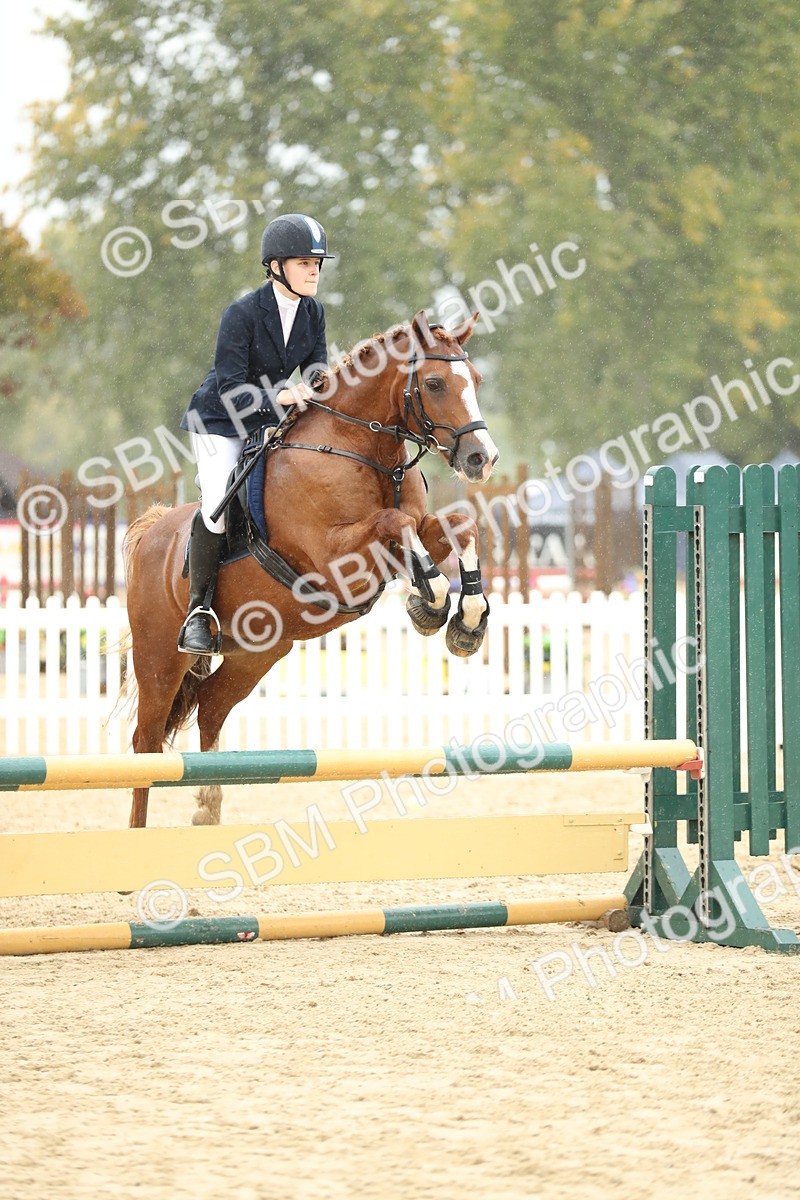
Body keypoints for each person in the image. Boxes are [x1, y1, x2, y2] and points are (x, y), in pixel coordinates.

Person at [177, 213, 333, 655]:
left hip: (269, 418)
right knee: (218, 503)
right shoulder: (242, 313)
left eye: (317, 263)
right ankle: (199, 611)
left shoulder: (313, 312)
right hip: (219, 421)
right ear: (276, 266)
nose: (314, 271)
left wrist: (328, 387)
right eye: (305, 262)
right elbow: (229, 387)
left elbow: (317, 367)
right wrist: (281, 395)